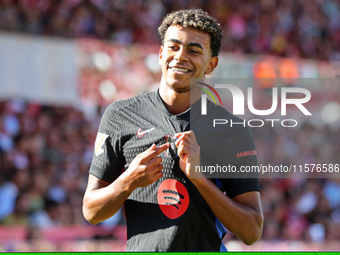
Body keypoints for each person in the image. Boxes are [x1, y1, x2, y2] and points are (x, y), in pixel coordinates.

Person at [82, 9, 263, 251]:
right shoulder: (120, 116)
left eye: (193, 50)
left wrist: (200, 180)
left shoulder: (232, 131)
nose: (180, 57)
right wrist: (128, 181)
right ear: (160, 53)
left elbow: (252, 231)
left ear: (211, 64)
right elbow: (91, 211)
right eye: (173, 47)